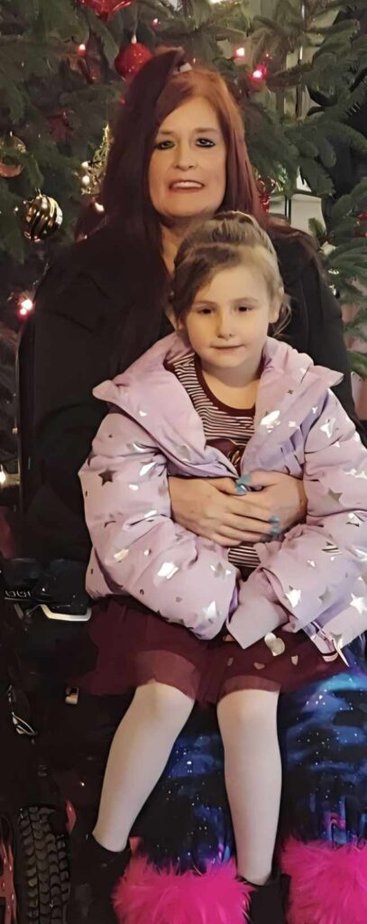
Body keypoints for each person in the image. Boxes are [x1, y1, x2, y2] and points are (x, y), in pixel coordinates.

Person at [69, 211, 367, 924]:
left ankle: (259, 878)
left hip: (269, 601)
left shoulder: (309, 403)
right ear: (178, 314)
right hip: (171, 598)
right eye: (205, 309)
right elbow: (123, 522)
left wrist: (265, 601)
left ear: (274, 309)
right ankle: (101, 845)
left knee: (249, 709)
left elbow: (348, 513)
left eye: (242, 307)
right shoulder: (142, 405)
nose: (225, 326)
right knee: (165, 698)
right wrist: (211, 605)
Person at [27, 48, 364, 572]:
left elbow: (338, 418)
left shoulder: (291, 264)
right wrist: (168, 497)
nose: (185, 161)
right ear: (139, 160)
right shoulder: (81, 280)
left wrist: (301, 497)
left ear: (228, 156)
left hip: (282, 553)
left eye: (204, 142)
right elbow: (61, 442)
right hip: (130, 553)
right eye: (164, 144)